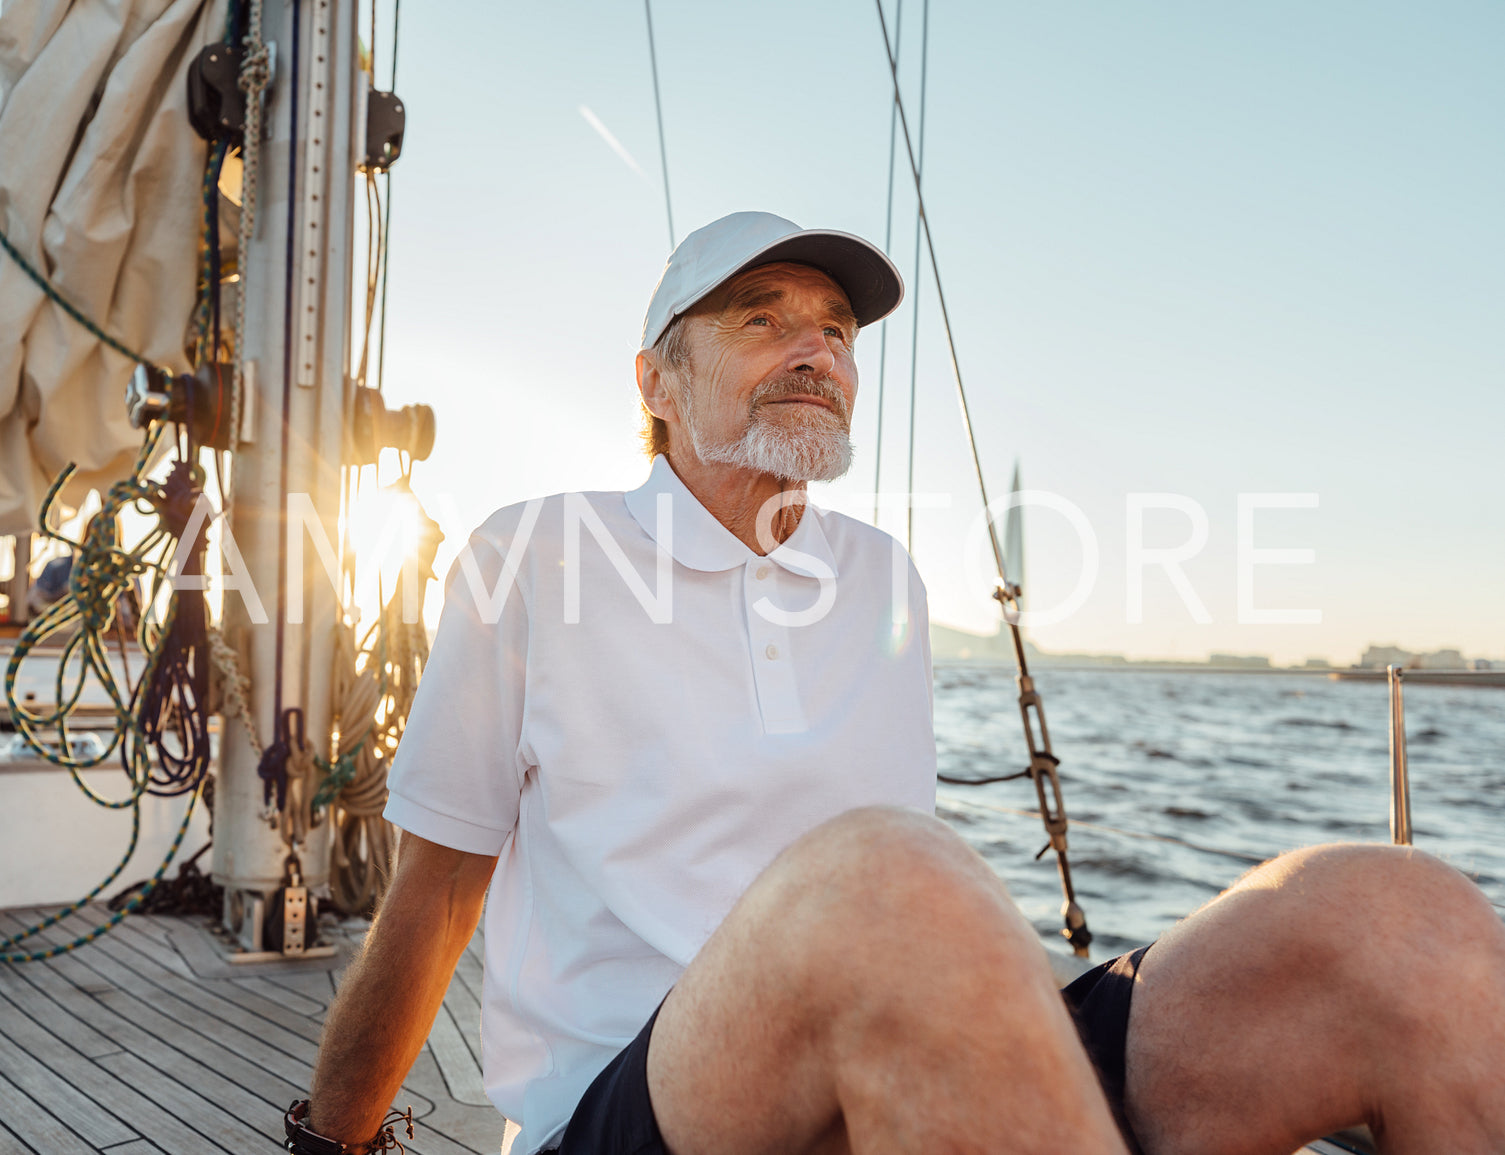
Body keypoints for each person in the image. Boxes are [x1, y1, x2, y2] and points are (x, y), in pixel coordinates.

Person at [295, 212, 1505, 1155]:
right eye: (761, 320)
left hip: (883, 1041)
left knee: (1400, 917)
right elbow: (437, 894)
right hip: (638, 1102)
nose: (814, 348)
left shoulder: (879, 580)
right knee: (886, 877)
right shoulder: (533, 556)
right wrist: (331, 1141)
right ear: (654, 385)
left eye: (834, 330)